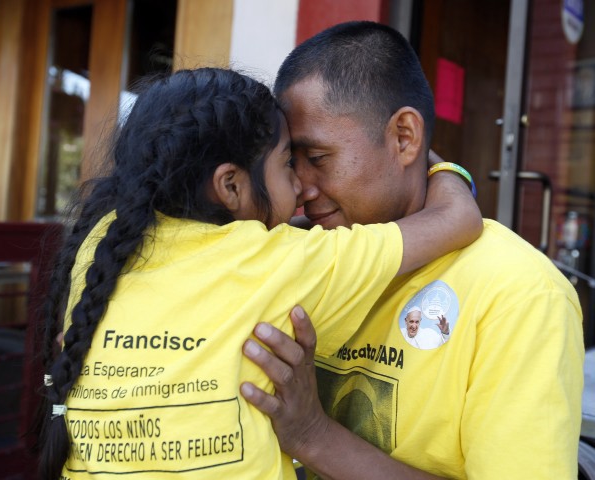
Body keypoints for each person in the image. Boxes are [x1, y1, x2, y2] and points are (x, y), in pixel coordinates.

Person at [37, 67, 482, 480]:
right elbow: (457, 218)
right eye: (289, 162)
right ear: (230, 185)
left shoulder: (101, 243)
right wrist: (436, 163)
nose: (302, 187)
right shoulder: (281, 262)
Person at [240, 21, 585, 479]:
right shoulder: (299, 254)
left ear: (404, 137)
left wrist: (312, 435)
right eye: (290, 163)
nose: (300, 188)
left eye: (318, 159)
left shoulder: (519, 294)